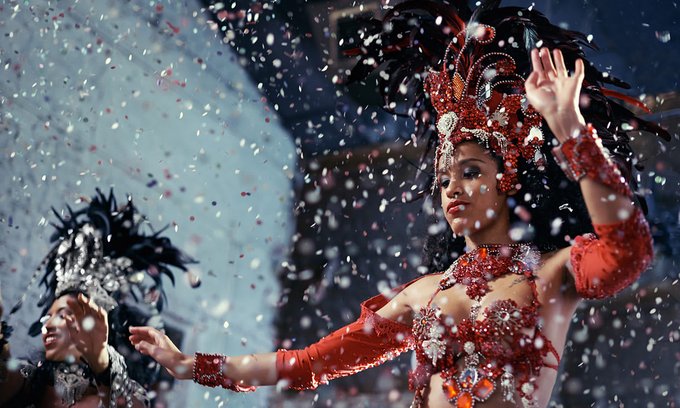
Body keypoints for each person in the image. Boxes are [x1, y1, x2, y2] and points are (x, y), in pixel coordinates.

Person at [127, 1, 670, 407]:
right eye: (443, 179)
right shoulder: (424, 294)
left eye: (471, 172)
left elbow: (629, 250)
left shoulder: (550, 277)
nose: (452, 189)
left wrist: (569, 127)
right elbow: (308, 364)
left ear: (506, 180)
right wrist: (190, 364)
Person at [0, 189, 197, 407]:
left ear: (96, 324)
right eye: (48, 317)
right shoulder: (28, 382)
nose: (48, 325)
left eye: (63, 314)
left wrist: (101, 360)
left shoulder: (118, 397)